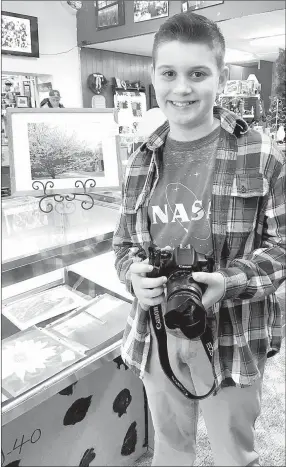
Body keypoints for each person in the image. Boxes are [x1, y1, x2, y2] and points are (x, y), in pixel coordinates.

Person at [113, 12, 285, 467]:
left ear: (221, 78)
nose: (181, 88)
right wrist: (132, 275)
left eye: (197, 74)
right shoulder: (140, 160)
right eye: (169, 73)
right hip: (156, 331)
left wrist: (230, 282)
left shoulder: (260, 152)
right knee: (169, 450)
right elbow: (123, 244)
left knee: (234, 455)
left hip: (233, 330)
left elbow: (284, 245)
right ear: (153, 78)